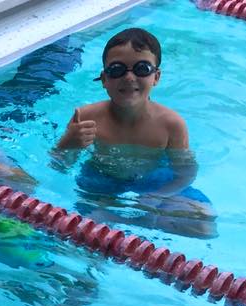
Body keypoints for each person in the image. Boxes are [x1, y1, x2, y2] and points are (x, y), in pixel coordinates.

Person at [53, 28, 215, 238]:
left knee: (204, 224)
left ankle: (134, 226)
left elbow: (186, 173)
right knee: (83, 230)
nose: (129, 77)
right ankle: (129, 226)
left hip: (154, 179)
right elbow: (59, 166)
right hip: (101, 180)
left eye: (142, 68)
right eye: (117, 70)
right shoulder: (86, 117)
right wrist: (67, 143)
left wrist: (157, 196)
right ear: (104, 79)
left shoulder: (171, 124)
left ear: (156, 77)